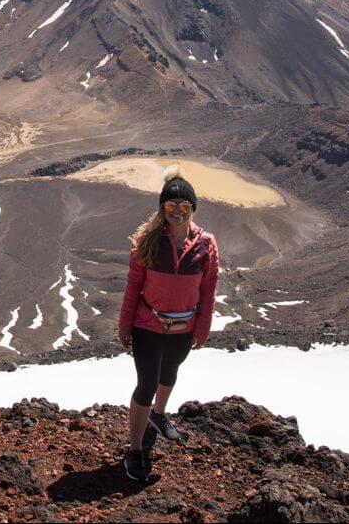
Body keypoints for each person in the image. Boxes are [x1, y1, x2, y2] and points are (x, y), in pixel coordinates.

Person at [117, 170, 219, 481]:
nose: (177, 212)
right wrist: (125, 324)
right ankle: (135, 450)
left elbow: (208, 288)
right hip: (147, 325)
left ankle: (158, 417)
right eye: (170, 206)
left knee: (169, 374)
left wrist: (202, 328)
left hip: (183, 328)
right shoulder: (147, 241)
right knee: (146, 384)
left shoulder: (206, 244)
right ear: (162, 209)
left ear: (193, 209)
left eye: (184, 206)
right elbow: (134, 285)